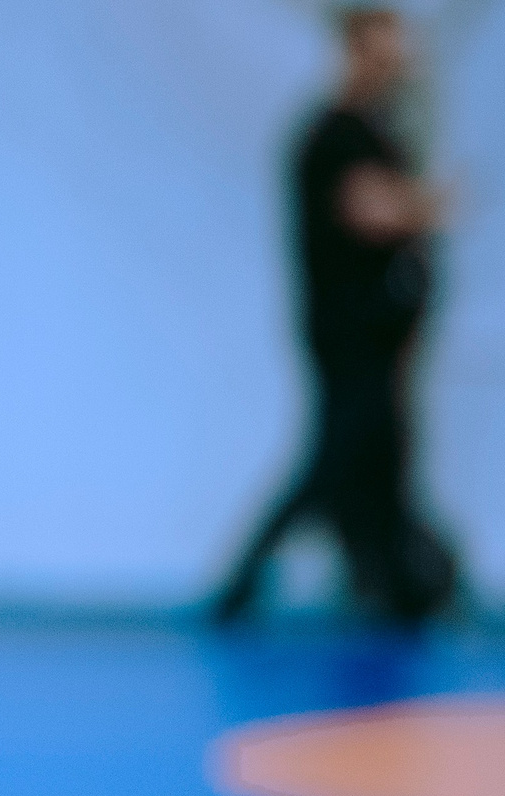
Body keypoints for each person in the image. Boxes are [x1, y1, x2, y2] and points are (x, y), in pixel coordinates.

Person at [214, 4, 455, 629]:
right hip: (345, 332)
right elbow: (370, 212)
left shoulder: (383, 132)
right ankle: (240, 585)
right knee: (337, 455)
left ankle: (393, 587)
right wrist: (429, 205)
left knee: (381, 457)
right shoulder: (332, 134)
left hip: (383, 332)